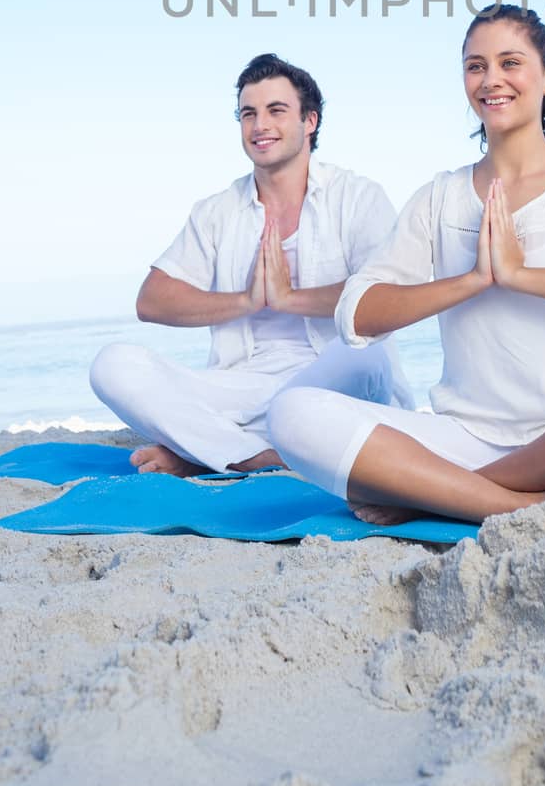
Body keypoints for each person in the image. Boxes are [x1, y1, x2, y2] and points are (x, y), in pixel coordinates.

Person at [267, 6, 545, 523]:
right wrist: (473, 281)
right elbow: (357, 314)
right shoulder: (440, 197)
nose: (491, 79)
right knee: (292, 415)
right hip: (463, 438)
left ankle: (446, 494)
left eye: (509, 62)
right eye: (476, 66)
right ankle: (531, 500)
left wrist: (520, 275)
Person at [90, 53, 412, 475]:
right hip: (242, 383)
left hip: (333, 380)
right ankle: (257, 455)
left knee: (365, 356)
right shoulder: (216, 211)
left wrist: (289, 298)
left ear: (309, 121)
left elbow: (383, 297)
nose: (260, 126)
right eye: (248, 114)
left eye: (276, 111)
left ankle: (203, 449)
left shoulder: (357, 197)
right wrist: (247, 299)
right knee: (111, 366)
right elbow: (152, 301)